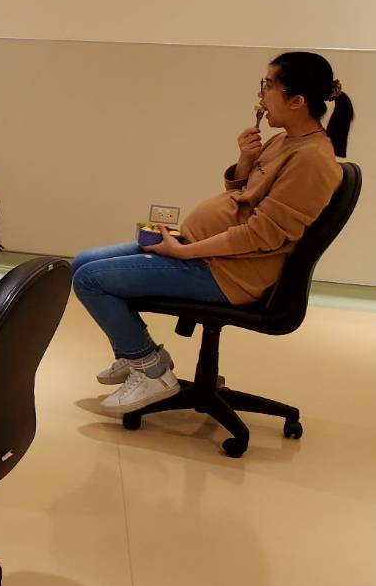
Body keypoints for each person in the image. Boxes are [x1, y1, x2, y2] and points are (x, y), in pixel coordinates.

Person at [73, 52, 354, 416]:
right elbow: (243, 198)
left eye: (268, 86)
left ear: (297, 101)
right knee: (82, 262)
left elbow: (261, 234)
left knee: (90, 280)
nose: (260, 95)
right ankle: (137, 353)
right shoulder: (284, 141)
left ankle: (151, 370)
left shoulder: (312, 160)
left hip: (226, 272)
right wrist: (245, 161)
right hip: (203, 250)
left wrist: (183, 253)